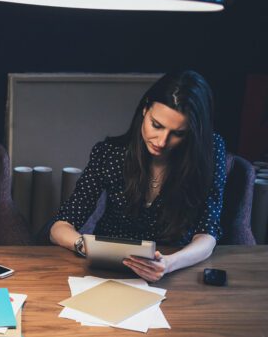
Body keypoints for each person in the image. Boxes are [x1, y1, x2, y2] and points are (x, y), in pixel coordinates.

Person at [49, 70, 226, 282]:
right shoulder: (110, 154)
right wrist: (85, 246)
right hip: (109, 270)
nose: (161, 141)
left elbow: (208, 233)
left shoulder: (210, 150)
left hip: (177, 267)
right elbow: (60, 227)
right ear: (145, 109)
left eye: (178, 133)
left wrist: (169, 264)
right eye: (156, 125)